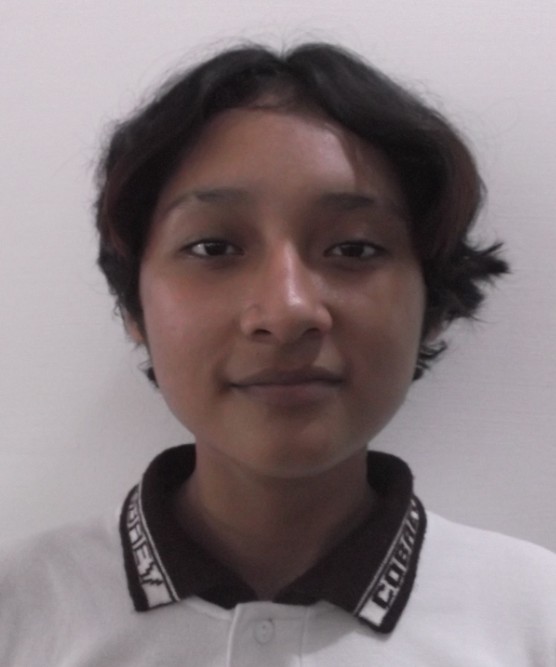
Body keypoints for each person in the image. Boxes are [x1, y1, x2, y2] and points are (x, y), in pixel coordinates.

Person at [1, 42, 555, 666]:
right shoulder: (19, 613)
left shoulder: (535, 618)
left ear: (433, 304)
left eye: (354, 249)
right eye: (213, 248)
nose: (287, 311)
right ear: (134, 305)